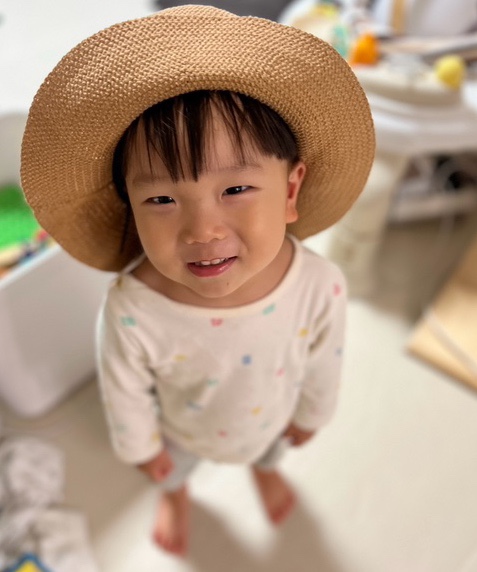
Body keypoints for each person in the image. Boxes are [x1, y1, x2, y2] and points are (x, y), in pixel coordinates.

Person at [21, 5, 375, 557]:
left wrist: (313, 415)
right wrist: (143, 450)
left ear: (290, 190)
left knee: (269, 451)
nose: (202, 230)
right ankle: (177, 495)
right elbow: (123, 390)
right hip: (180, 432)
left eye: (235, 190)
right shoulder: (133, 310)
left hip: (272, 417)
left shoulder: (317, 284)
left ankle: (264, 473)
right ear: (129, 205)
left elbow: (325, 359)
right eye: (162, 199)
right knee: (173, 470)